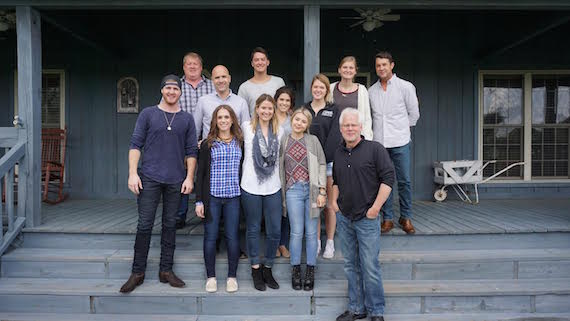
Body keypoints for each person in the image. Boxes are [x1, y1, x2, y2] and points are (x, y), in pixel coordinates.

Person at [120, 75, 198, 293]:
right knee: (145, 225)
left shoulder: (187, 119)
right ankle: (137, 272)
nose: (172, 91)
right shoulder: (148, 114)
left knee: (170, 225)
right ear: (162, 90)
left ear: (181, 92)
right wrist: (132, 173)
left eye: (176, 88)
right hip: (149, 178)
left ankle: (166, 270)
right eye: (168, 88)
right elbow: (135, 144)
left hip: (176, 179)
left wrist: (189, 177)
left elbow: (192, 151)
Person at [332, 108, 395, 321]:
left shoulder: (375, 149)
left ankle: (376, 311)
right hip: (345, 218)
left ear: (360, 127)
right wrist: (334, 202)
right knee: (350, 265)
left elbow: (388, 179)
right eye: (346, 125)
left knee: (370, 266)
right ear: (341, 129)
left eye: (353, 125)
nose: (350, 128)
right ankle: (356, 308)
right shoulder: (338, 152)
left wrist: (376, 208)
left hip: (367, 219)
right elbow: (336, 181)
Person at [368, 51, 420, 234]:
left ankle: (406, 217)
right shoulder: (371, 91)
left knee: (404, 180)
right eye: (378, 65)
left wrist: (401, 130)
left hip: (400, 141)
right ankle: (387, 218)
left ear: (392, 65)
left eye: (384, 64)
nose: (381, 68)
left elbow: (414, 114)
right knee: (383, 182)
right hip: (380, 144)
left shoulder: (405, 87)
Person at [195, 105, 244, 293]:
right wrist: (199, 201)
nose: (223, 120)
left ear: (232, 120)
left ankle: (232, 276)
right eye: (220, 117)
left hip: (233, 197)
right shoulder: (208, 144)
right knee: (211, 237)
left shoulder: (240, 142)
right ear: (215, 121)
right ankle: (211, 277)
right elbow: (201, 175)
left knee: (232, 237)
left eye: (227, 117)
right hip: (212, 198)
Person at [278, 108, 326, 291]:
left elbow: (322, 163)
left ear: (307, 125)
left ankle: (311, 271)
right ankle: (296, 270)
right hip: (293, 191)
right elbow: (278, 167)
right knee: (297, 232)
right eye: (297, 119)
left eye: (303, 121)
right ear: (292, 120)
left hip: (312, 191)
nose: (299, 123)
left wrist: (322, 191)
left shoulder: (312, 141)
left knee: (312, 232)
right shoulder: (284, 140)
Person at [241, 94, 283, 291]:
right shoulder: (246, 128)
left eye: (270, 108)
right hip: (250, 185)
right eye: (263, 108)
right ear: (256, 108)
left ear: (273, 111)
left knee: (274, 230)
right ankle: (255, 269)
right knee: (253, 228)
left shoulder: (280, 131)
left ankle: (268, 267)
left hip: (273, 186)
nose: (266, 111)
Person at [301, 73, 339, 259]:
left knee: (330, 204)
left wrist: (323, 160)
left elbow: (334, 137)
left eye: (321, 87)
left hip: (329, 164)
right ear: (311, 89)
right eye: (315, 87)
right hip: (309, 165)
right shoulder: (305, 109)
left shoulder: (333, 109)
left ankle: (330, 242)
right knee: (315, 205)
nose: (318, 90)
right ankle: (315, 241)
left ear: (326, 90)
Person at [175, 52, 214, 229]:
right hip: (181, 140)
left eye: (195, 64)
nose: (192, 67)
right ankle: (179, 215)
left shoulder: (212, 86)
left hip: (208, 139)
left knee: (206, 175)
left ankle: (208, 213)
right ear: (184, 67)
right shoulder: (176, 86)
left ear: (201, 66)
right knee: (182, 176)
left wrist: (206, 138)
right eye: (189, 64)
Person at [194, 65, 250, 140]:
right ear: (212, 80)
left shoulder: (241, 102)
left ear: (229, 78)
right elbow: (195, 131)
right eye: (217, 78)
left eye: (224, 77)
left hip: (235, 149)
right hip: (209, 149)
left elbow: (247, 132)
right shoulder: (203, 101)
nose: (221, 80)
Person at [274, 86, 295, 258]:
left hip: (289, 167)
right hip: (270, 167)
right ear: (276, 101)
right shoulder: (269, 117)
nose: (284, 103)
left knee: (285, 207)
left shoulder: (293, 120)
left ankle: (283, 243)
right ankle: (273, 243)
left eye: (287, 100)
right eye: (281, 99)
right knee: (272, 207)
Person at [330, 56, 373, 139]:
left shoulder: (362, 90)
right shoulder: (331, 88)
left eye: (351, 68)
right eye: (345, 67)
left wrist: (366, 138)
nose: (348, 70)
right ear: (339, 70)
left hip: (355, 137)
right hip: (334, 136)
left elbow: (367, 118)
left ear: (355, 71)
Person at [238, 47, 285, 115]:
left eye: (262, 59)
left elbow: (285, 106)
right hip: (253, 125)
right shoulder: (244, 87)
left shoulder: (278, 82)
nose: (260, 62)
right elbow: (242, 112)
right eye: (256, 60)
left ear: (268, 62)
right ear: (252, 63)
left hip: (276, 124)